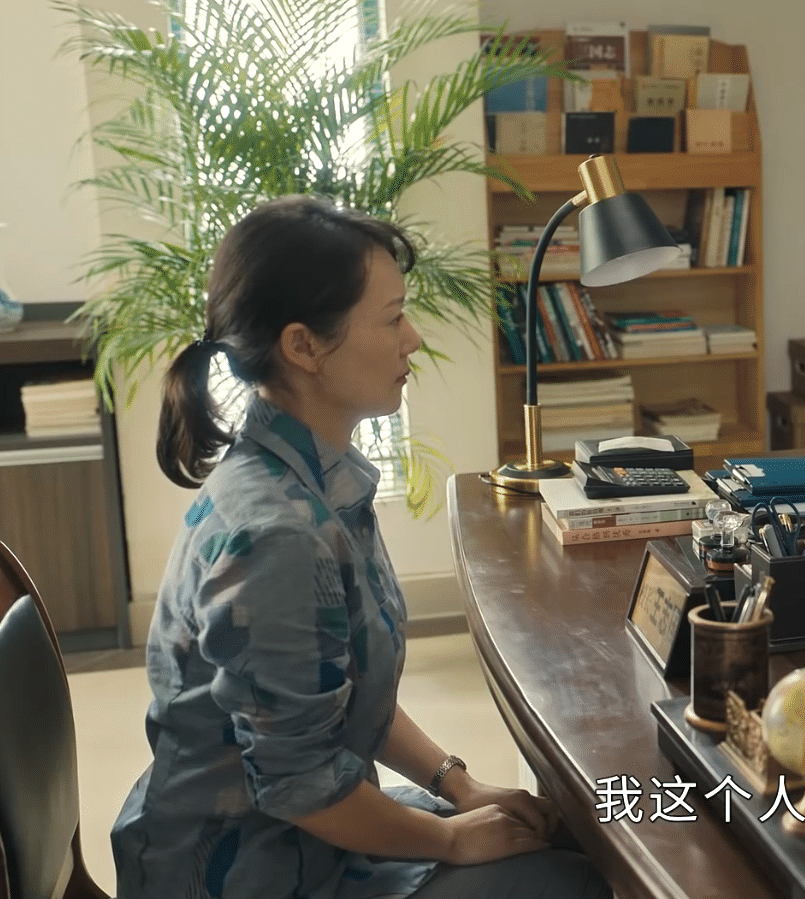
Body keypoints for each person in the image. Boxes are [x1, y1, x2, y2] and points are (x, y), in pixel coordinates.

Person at [112, 196, 611, 899]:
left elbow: (337, 696)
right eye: (392, 318)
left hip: (303, 830)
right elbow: (299, 784)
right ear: (303, 346)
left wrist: (457, 785)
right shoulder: (277, 537)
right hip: (254, 865)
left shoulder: (315, 480)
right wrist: (448, 837)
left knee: (560, 837)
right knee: (573, 880)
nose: (413, 338)